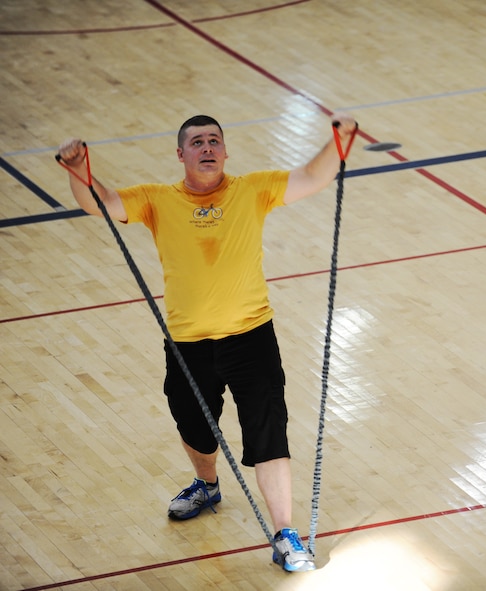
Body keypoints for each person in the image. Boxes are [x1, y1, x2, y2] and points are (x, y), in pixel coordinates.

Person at [57, 112, 358, 572]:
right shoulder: (157, 200)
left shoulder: (252, 190)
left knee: (268, 431)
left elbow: (314, 176)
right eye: (196, 142)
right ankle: (208, 484)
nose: (207, 148)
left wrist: (339, 139)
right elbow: (98, 203)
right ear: (181, 154)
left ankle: (284, 533)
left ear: (225, 151)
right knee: (194, 428)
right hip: (187, 343)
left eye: (214, 140)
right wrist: (80, 168)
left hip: (252, 336)